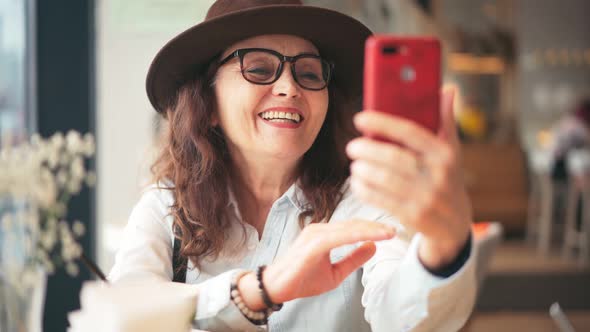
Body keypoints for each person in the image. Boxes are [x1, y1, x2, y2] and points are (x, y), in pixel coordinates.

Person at [108, 1, 477, 331]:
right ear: (209, 104)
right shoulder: (165, 208)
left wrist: (443, 248)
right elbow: (121, 318)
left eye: (310, 74)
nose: (289, 87)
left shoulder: (364, 202)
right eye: (258, 68)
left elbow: (403, 318)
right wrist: (258, 289)